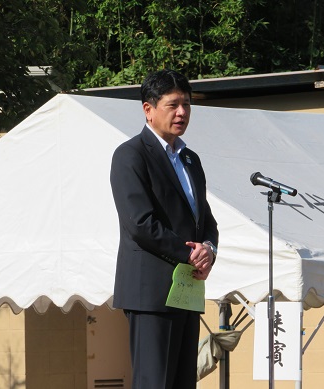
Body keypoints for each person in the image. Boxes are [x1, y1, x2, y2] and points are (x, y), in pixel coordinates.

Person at [110, 69, 219, 389]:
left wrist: (209, 250)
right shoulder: (130, 156)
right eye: (173, 105)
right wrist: (190, 254)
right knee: (154, 382)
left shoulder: (191, 160)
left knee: (184, 381)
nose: (182, 112)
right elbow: (140, 223)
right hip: (150, 292)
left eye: (187, 104)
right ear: (148, 109)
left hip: (186, 290)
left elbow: (206, 220)